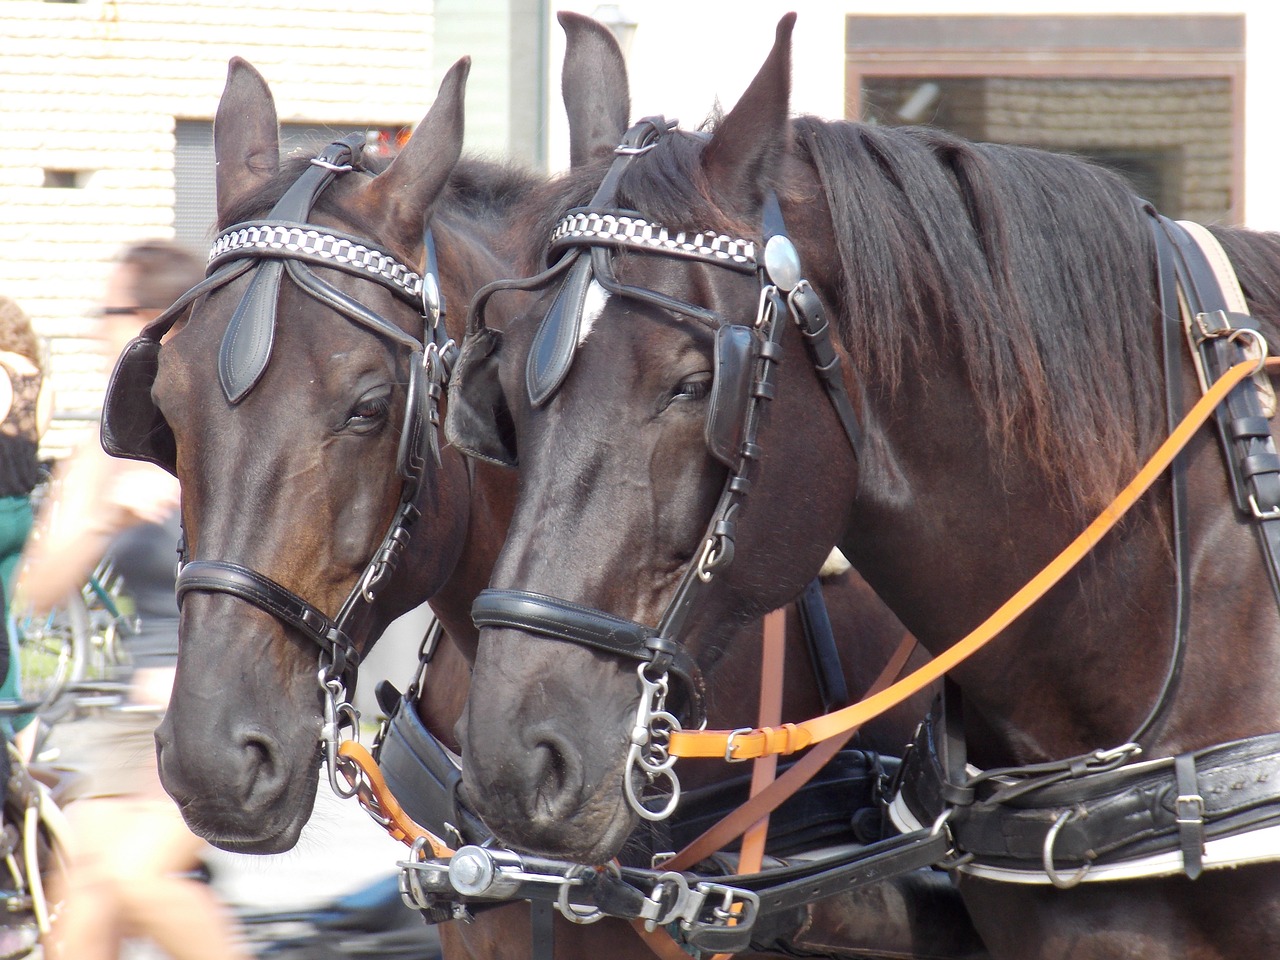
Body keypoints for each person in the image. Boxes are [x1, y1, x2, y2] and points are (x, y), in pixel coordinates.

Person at [20, 240, 250, 960]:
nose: (96, 328)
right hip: (114, 722)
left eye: (108, 311)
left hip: (205, 712)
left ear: (152, 320)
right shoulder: (104, 446)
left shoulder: (226, 439)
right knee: (83, 901)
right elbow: (34, 591)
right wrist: (99, 520)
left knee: (133, 881)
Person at [0, 296, 52, 736]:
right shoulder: (41, 381)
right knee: (7, 619)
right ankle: (20, 722)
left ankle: (14, 718)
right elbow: (34, 440)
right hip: (20, 510)